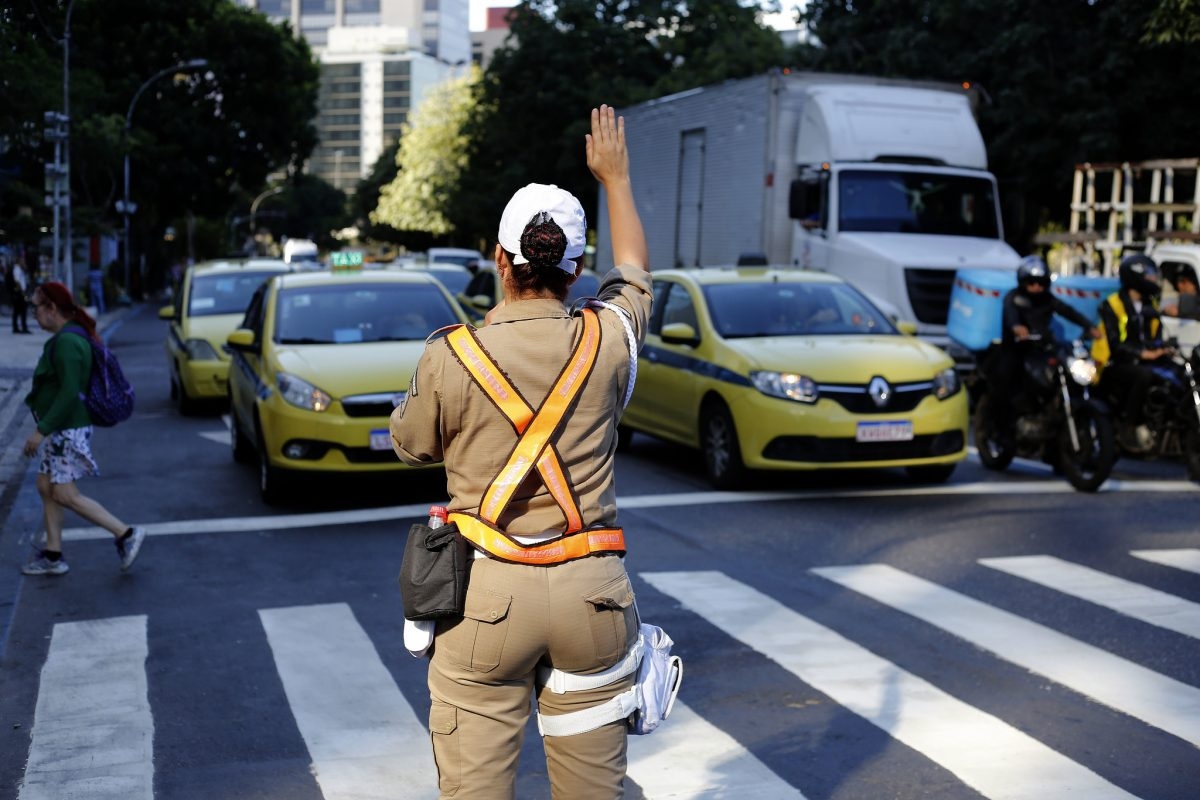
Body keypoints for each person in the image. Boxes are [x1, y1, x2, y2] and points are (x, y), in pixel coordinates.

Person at [389, 104, 651, 799]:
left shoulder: (451, 354)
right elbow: (635, 274)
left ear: (498, 259)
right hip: (593, 598)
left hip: (484, 596)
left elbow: (411, 448)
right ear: (577, 268)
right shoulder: (610, 341)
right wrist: (615, 179)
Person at [21, 281, 146, 576]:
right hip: (63, 428)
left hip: (67, 429)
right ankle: (53, 556)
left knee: (64, 493)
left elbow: (69, 392)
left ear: (52, 308)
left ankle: (126, 534)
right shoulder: (68, 338)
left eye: (36, 307)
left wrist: (41, 430)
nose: (34, 314)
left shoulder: (67, 343)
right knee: (45, 486)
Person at [985, 255, 1100, 437]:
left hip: (1041, 349)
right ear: (1023, 282)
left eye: (1041, 283)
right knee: (1007, 381)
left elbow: (1068, 311)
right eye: (1031, 282)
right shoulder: (1013, 298)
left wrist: (1088, 326)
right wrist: (1017, 328)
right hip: (1016, 349)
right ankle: (1003, 429)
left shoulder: (1048, 299)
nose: (1036, 287)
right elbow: (1010, 315)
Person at [1092, 253, 1170, 438]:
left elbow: (1154, 336)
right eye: (1149, 275)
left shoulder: (1150, 305)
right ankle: (1130, 424)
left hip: (1143, 359)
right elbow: (1115, 344)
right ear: (1136, 276)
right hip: (1114, 363)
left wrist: (1163, 348)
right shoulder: (1112, 305)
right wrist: (1142, 354)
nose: (1153, 279)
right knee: (1144, 375)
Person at [10, 256, 31, 334]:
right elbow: (17, 281)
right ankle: (22, 327)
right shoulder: (17, 269)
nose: (23, 262)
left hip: (21, 292)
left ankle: (18, 327)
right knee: (22, 310)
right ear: (18, 261)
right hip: (20, 293)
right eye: (22, 261)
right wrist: (22, 292)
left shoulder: (20, 269)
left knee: (18, 310)